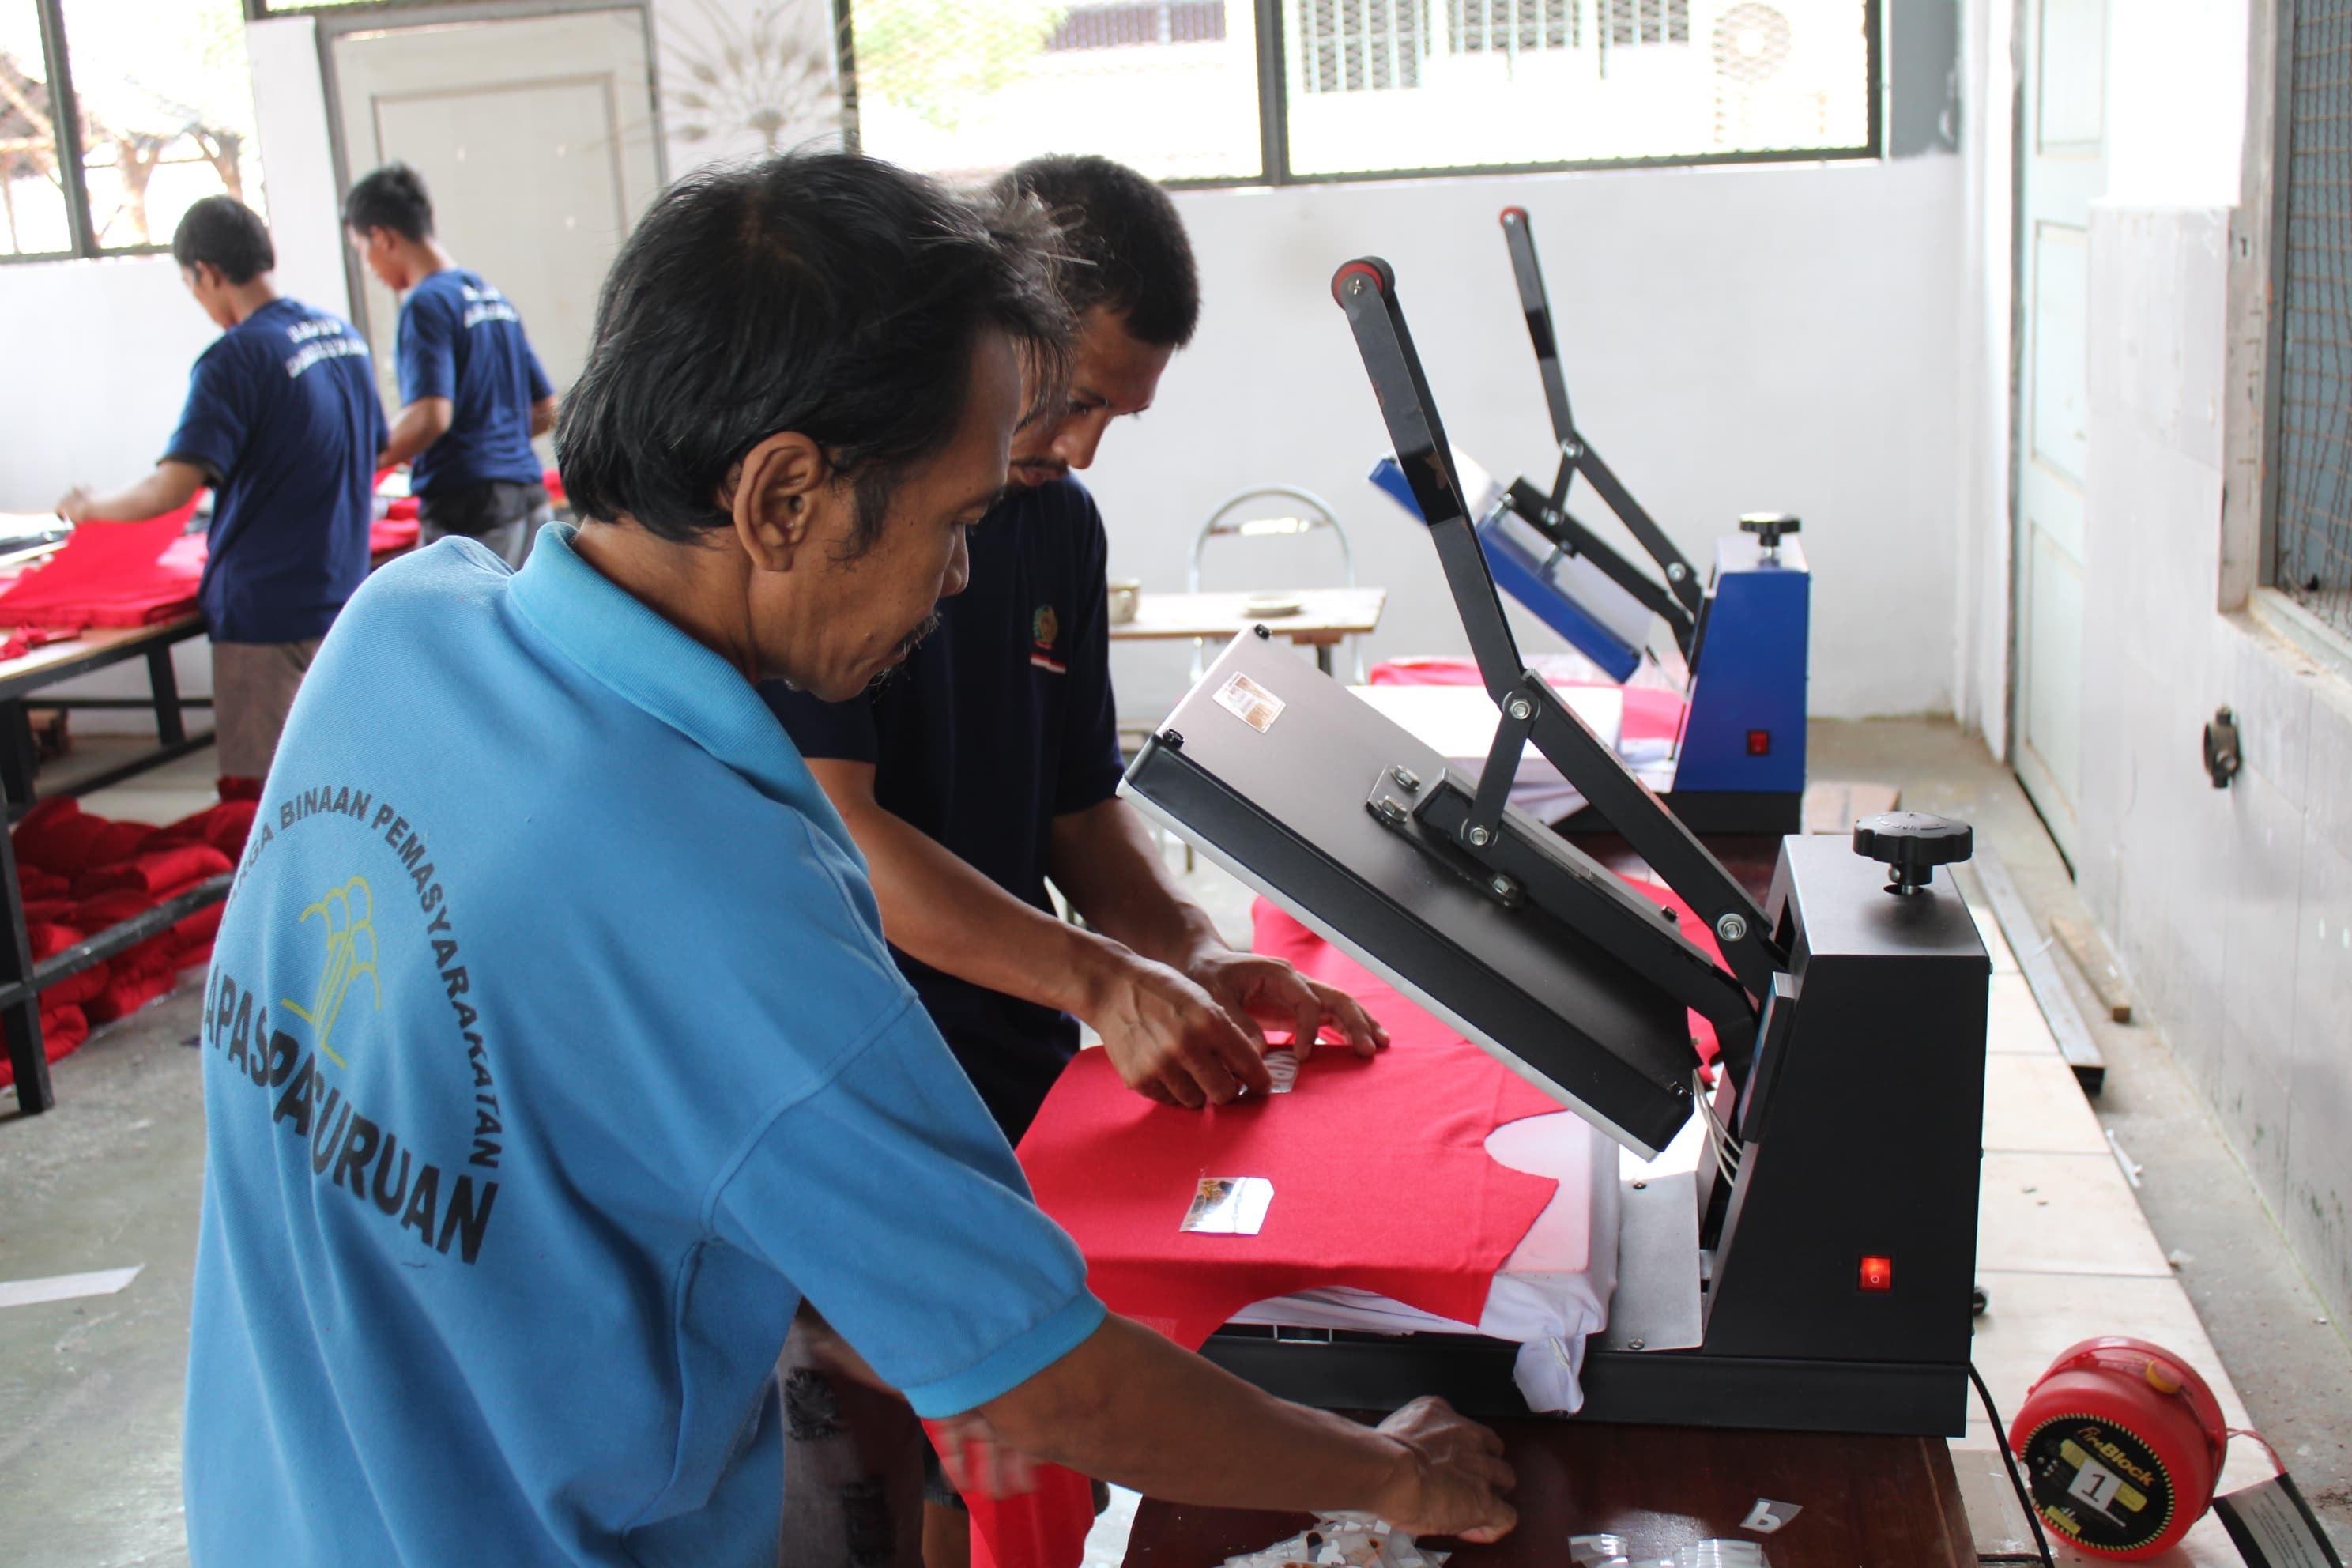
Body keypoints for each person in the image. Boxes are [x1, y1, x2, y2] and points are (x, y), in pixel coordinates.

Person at [181, 152, 1516, 1568]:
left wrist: (843, 1287)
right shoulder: (732, 896)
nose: (955, 580)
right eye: (951, 524)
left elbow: (484, 1117)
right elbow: (1061, 1383)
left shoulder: (399, 629)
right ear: (782, 500)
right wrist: (1400, 1474)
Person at [763, 153, 1391, 1567]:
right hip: (856, 1094)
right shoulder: (851, 532)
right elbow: (845, 838)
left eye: (1121, 411)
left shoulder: (1054, 519)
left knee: (1020, 1451)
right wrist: (1101, 978)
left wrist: (1183, 946)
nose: (1089, 445)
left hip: (1013, 1092)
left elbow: (1072, 803)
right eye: (1079, 398)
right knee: (901, 1465)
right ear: (997, 331)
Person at [57, 196, 385, 797]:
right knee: (343, 789)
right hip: (338, 592)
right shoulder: (341, 337)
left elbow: (171, 487)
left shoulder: (237, 357)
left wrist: (87, 507)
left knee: (262, 804)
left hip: (266, 612)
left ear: (206, 272)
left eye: (191, 286)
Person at [345, 161, 556, 567]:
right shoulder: (489, 296)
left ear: (383, 237)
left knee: (457, 629)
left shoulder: (425, 304)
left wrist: (361, 463)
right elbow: (547, 409)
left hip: (471, 511)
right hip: (528, 498)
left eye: (361, 250)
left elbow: (429, 418)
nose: (369, 268)